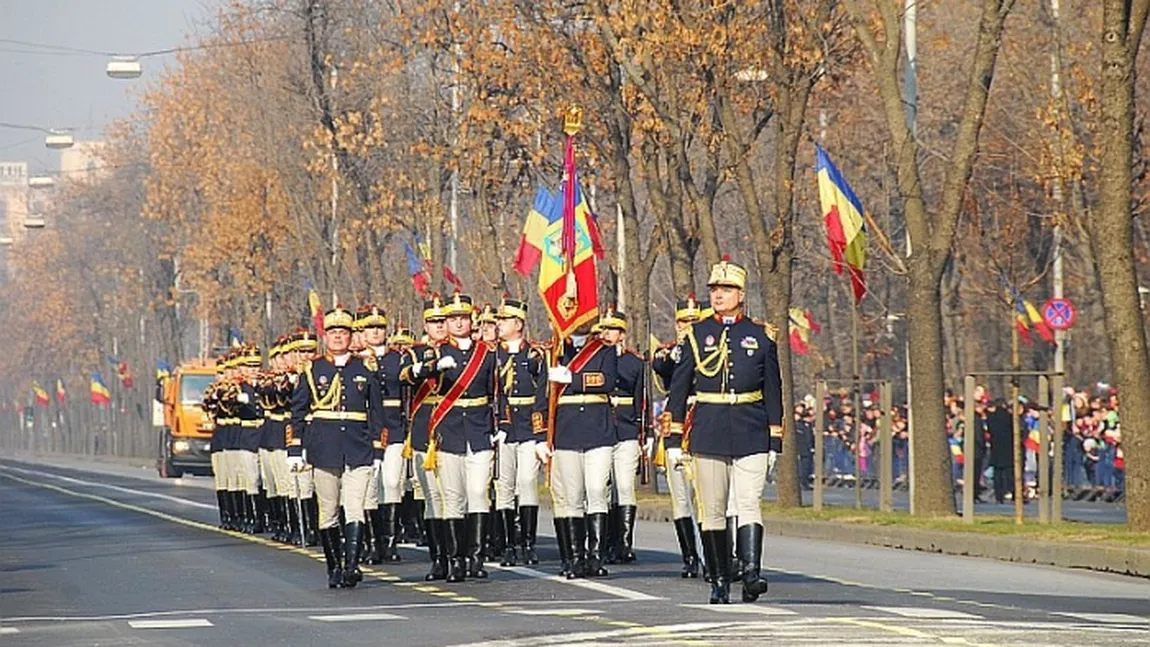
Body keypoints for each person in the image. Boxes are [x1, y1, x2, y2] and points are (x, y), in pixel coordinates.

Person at [666, 256, 783, 605]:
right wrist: (674, 438)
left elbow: (774, 390)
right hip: (709, 427)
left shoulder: (761, 336)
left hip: (750, 427)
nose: (718, 295)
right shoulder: (696, 334)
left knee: (749, 504)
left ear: (741, 294)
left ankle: (751, 573)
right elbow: (679, 388)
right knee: (713, 509)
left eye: (726, 289)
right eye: (715, 289)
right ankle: (719, 579)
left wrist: (774, 438)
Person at [288, 306, 385, 589]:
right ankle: (334, 566)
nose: (339, 337)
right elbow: (298, 410)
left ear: (351, 336)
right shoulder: (313, 369)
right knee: (328, 511)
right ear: (325, 336)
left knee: (354, 508)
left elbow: (377, 413)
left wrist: (378, 449)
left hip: (358, 447)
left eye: (344, 333)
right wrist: (295, 448)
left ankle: (351, 566)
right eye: (333, 333)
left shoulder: (365, 368)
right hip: (324, 447)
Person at [537, 318, 618, 579]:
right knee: (572, 496)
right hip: (566, 431)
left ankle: (596, 556)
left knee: (597, 491)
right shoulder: (554, 352)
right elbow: (542, 399)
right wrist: (540, 437)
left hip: (598, 430)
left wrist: (571, 377)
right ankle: (574, 558)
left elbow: (607, 381)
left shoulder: (603, 350)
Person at [652, 295, 708, 578]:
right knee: (681, 498)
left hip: (704, 423)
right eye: (683, 322)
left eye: (693, 322)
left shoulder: (712, 351)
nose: (687, 326)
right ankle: (689, 556)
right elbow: (660, 368)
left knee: (707, 496)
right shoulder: (670, 353)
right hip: (677, 426)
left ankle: (714, 556)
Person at [399, 295, 452, 581]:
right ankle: (438, 558)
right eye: (434, 322)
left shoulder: (463, 351)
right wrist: (421, 369)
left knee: (456, 497)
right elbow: (403, 376)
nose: (440, 326)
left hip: (454, 427)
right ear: (425, 325)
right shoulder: (414, 353)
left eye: (443, 321)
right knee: (433, 497)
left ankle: (459, 555)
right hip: (423, 430)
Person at [492, 296, 546, 566]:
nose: (498, 324)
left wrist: (540, 435)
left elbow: (542, 394)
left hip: (527, 427)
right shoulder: (492, 355)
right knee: (503, 486)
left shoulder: (534, 355)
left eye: (504, 320)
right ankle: (507, 545)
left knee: (527, 483)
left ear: (518, 324)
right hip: (503, 427)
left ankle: (527, 542)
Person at [598, 305, 645, 564]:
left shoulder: (634, 362)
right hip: (602, 429)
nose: (607, 333)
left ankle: (624, 542)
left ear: (622, 333)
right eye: (604, 329)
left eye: (613, 329)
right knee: (602, 488)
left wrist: (643, 433)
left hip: (626, 429)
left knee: (624, 487)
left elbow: (641, 400)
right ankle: (603, 542)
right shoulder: (595, 358)